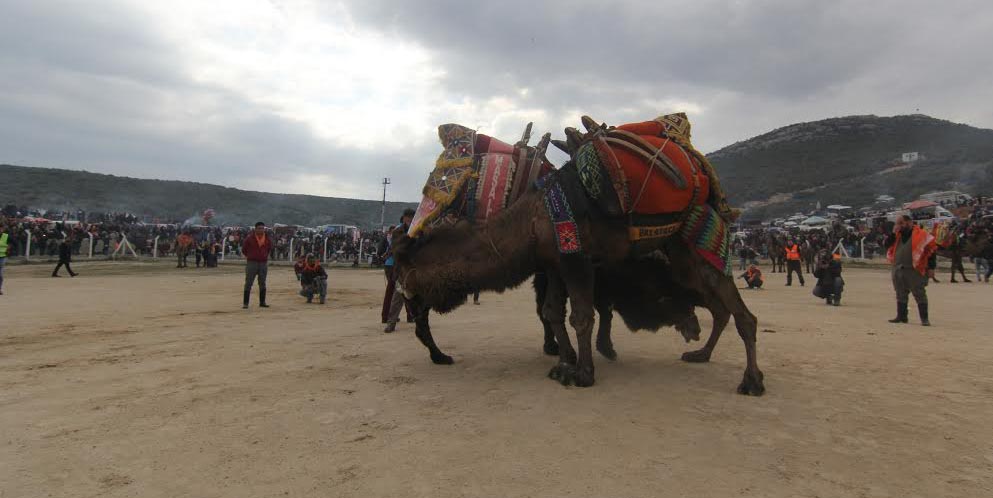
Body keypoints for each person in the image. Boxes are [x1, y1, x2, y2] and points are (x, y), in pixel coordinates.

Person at [886, 215, 937, 326]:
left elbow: (931, 251)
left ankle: (924, 319)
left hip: (914, 269)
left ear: (909, 222)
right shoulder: (896, 235)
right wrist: (893, 233)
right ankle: (901, 316)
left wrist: (932, 268)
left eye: (901, 223)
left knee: (919, 293)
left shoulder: (922, 234)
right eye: (897, 223)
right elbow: (886, 245)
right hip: (898, 269)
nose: (899, 225)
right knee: (900, 293)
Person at [384, 209, 416, 332]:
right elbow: (396, 248)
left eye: (411, 217)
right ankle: (391, 322)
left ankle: (418, 319)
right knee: (397, 296)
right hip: (402, 268)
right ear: (403, 218)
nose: (409, 219)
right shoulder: (398, 231)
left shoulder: (418, 229)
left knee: (417, 297)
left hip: (415, 267)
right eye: (407, 217)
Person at [242, 222, 272, 309]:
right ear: (255, 229)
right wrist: (251, 256)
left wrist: (264, 256)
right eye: (259, 228)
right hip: (252, 262)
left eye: (262, 228)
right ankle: (245, 303)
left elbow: (269, 249)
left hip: (263, 263)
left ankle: (262, 302)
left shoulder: (267, 239)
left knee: (262, 282)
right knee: (248, 282)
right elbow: (244, 250)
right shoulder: (249, 238)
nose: (261, 230)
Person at [0, 223, 9, 295]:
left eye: (1, 228)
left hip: (2, 257)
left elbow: (14, 243)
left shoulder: (6, 236)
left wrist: (9, 247)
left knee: (0, 274)